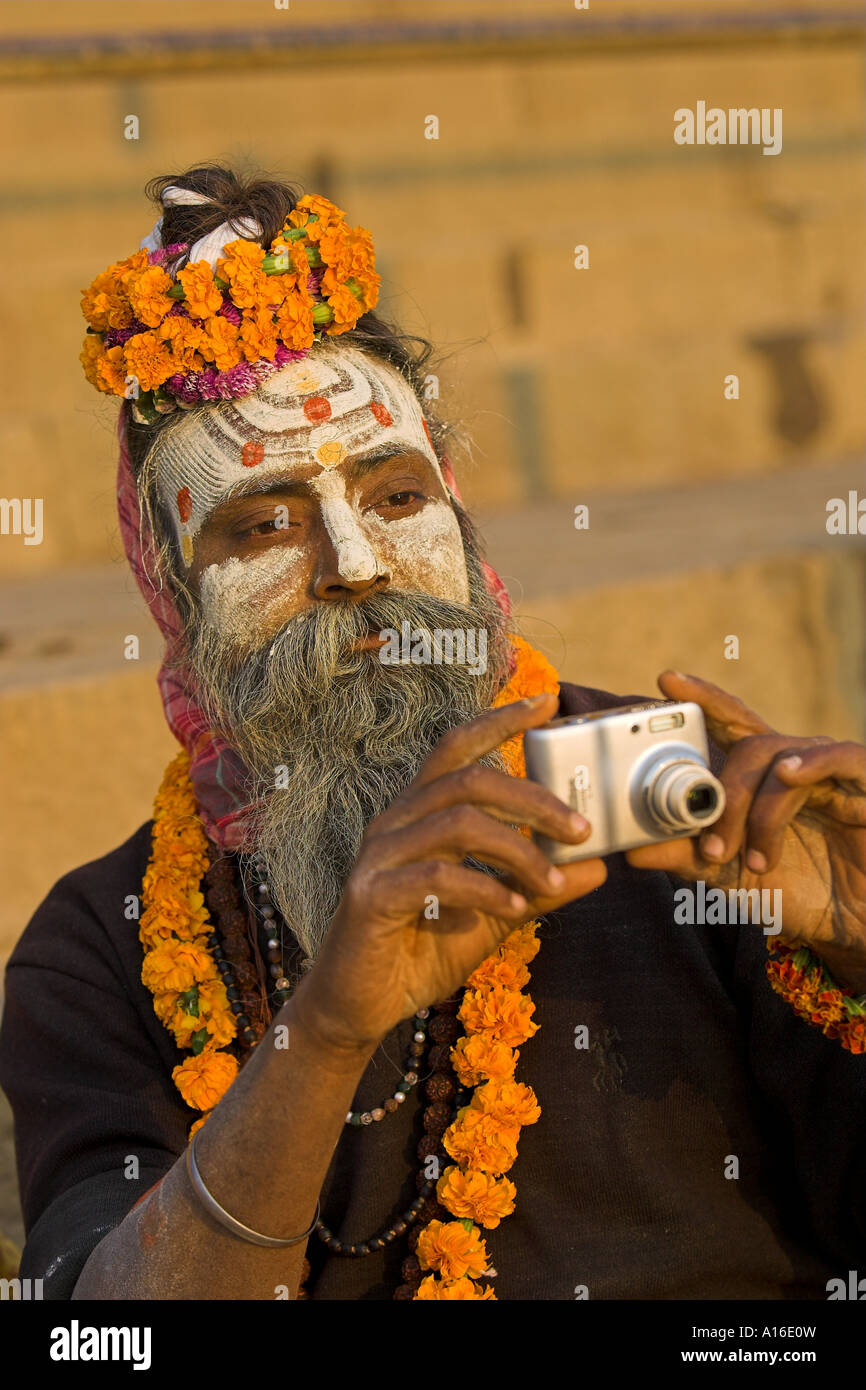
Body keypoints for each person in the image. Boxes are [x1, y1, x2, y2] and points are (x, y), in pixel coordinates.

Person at [1, 165, 864, 1302]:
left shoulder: (682, 809)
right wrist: (325, 1032)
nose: (354, 566)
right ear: (171, 594)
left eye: (396, 497)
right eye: (263, 524)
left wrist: (856, 948)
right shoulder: (97, 947)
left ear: (459, 516)